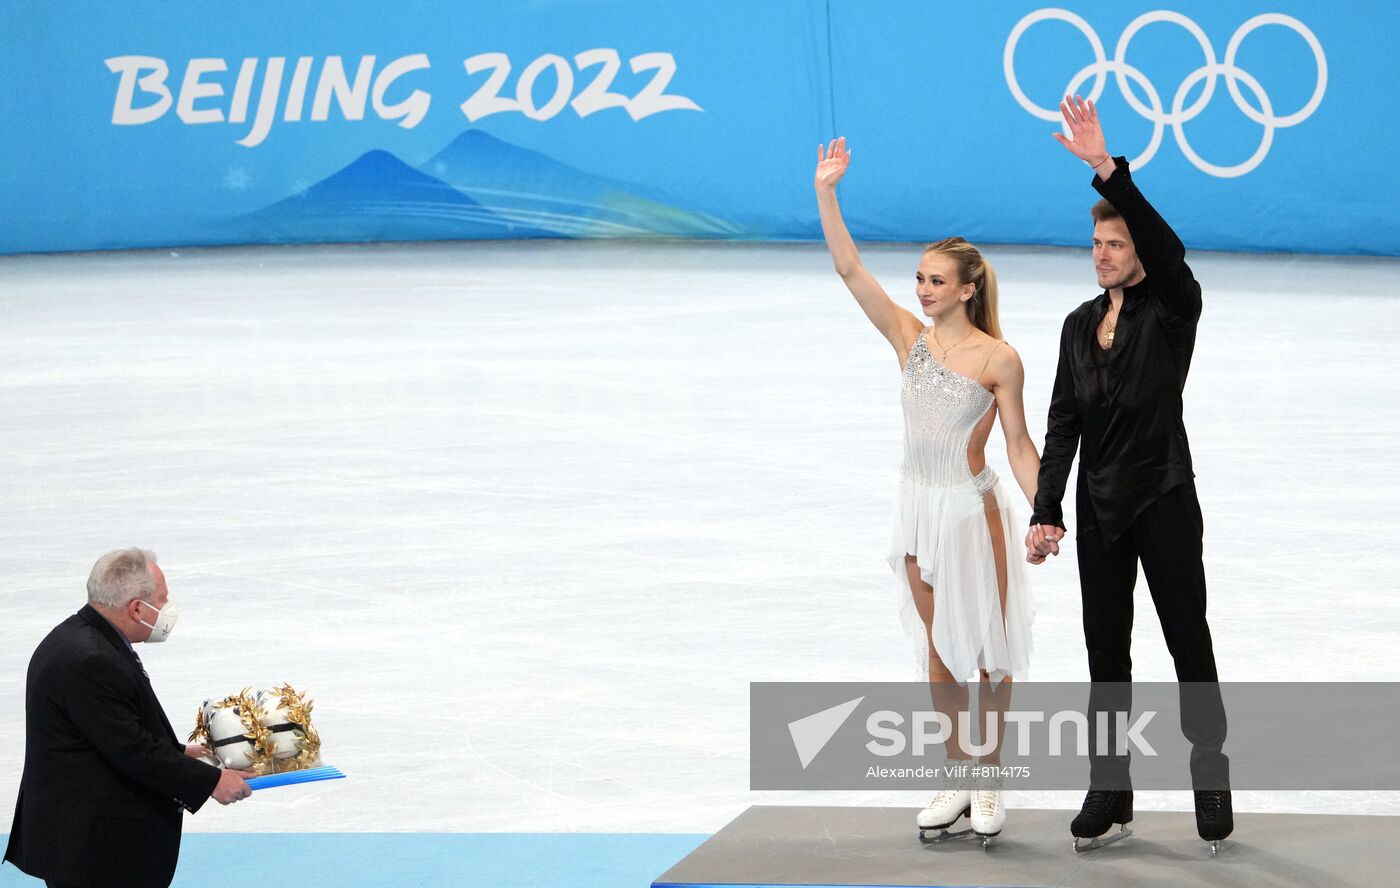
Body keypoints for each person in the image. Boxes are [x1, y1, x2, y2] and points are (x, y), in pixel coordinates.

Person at [816, 137, 1042, 846]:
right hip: (917, 506)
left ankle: (991, 777)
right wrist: (827, 191)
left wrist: (1051, 512)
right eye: (919, 279)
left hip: (972, 512)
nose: (922, 289)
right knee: (939, 650)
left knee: (987, 648)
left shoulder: (999, 358)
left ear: (968, 289)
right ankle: (954, 772)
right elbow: (850, 269)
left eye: (936, 281)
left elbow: (1018, 444)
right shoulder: (908, 339)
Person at [1026, 96, 1232, 854]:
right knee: (1104, 651)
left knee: (1188, 642)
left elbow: (1167, 248)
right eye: (1098, 243)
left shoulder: (1174, 307)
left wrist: (1112, 173)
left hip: (1165, 498)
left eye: (1117, 242)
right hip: (1100, 507)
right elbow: (1062, 420)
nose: (1104, 253)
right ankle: (1110, 788)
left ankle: (1210, 772)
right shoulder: (1079, 324)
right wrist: (1047, 505)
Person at [4, 548, 253, 888]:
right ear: (137, 607)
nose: (167, 609)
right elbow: (131, 751)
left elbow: (109, 732)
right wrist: (210, 782)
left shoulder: (82, 637)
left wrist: (181, 753)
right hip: (96, 853)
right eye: (162, 600)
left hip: (90, 842)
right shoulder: (90, 660)